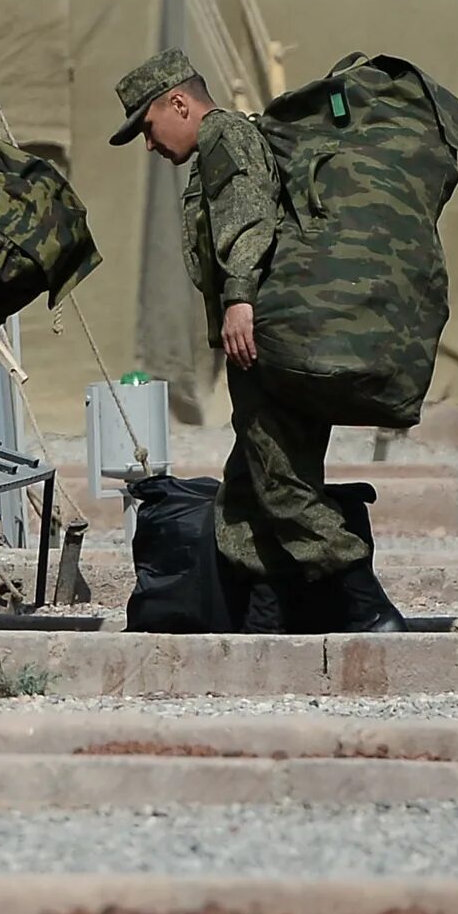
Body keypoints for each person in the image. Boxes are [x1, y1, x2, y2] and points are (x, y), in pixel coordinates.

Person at [109, 48, 401, 632]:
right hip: (275, 338)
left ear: (179, 102)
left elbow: (247, 218)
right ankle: (261, 620)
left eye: (148, 126)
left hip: (265, 335)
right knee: (247, 493)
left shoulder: (222, 136)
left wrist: (239, 296)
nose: (149, 144)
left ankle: (368, 608)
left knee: (284, 485)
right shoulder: (232, 138)